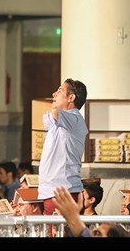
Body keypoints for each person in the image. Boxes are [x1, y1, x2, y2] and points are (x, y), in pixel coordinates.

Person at [38, 78, 88, 215]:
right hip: (52, 190)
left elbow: (54, 113)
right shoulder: (59, 119)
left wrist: (55, 106)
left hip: (64, 191)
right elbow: (48, 119)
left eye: (59, 91)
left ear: (71, 97)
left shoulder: (75, 118)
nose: (54, 94)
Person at [52, 186, 129, 237]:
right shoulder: (79, 216)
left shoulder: (97, 221)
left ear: (92, 200)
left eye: (83, 196)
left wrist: (72, 219)